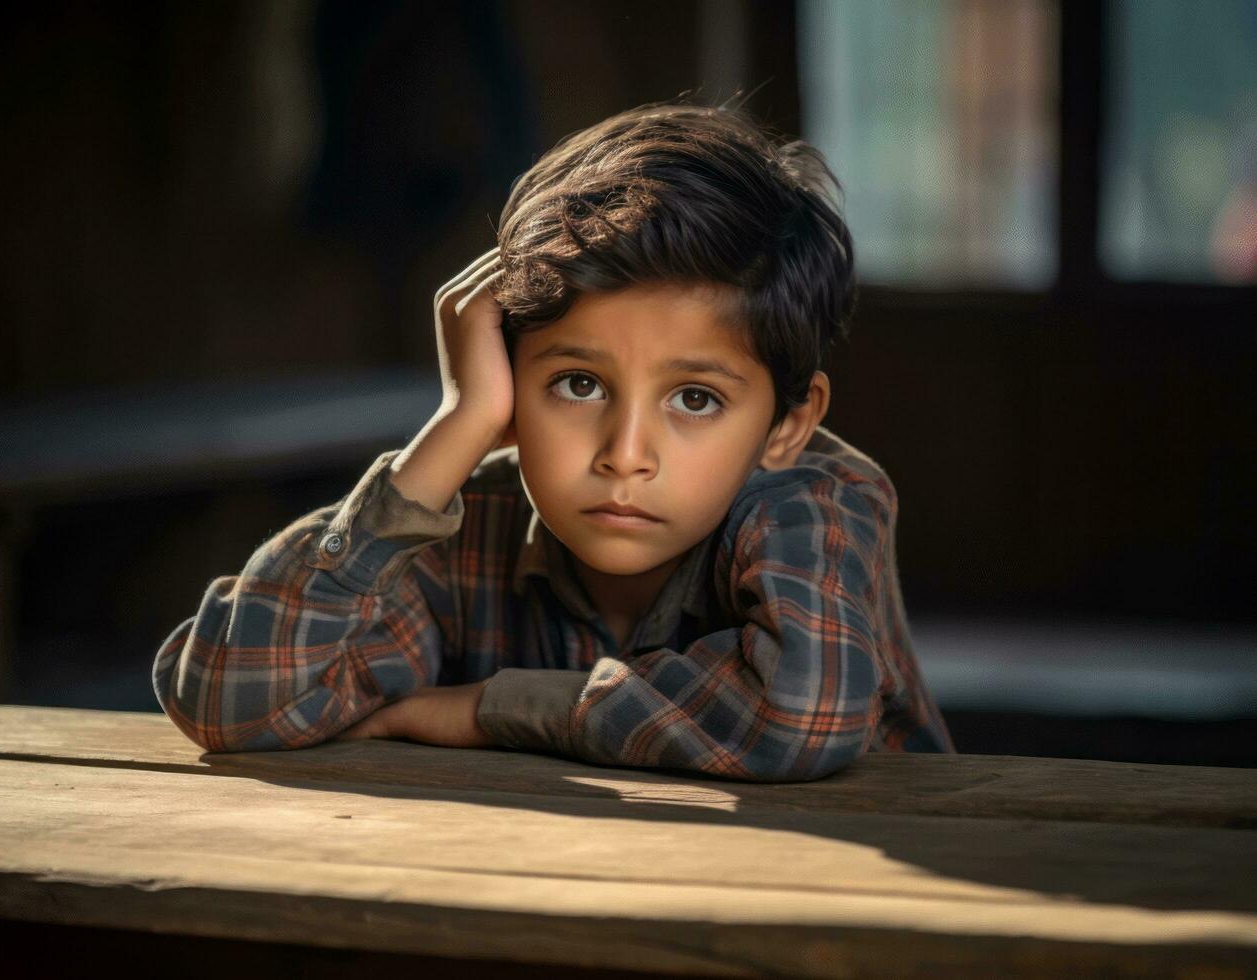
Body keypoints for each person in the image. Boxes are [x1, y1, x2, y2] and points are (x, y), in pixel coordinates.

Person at [151, 100, 956, 782]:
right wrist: (458, 426)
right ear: (507, 381)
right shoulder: (465, 529)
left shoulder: (811, 501)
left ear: (788, 424)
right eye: (578, 385)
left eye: (695, 398)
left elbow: (801, 714)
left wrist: (487, 708)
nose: (624, 453)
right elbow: (233, 702)